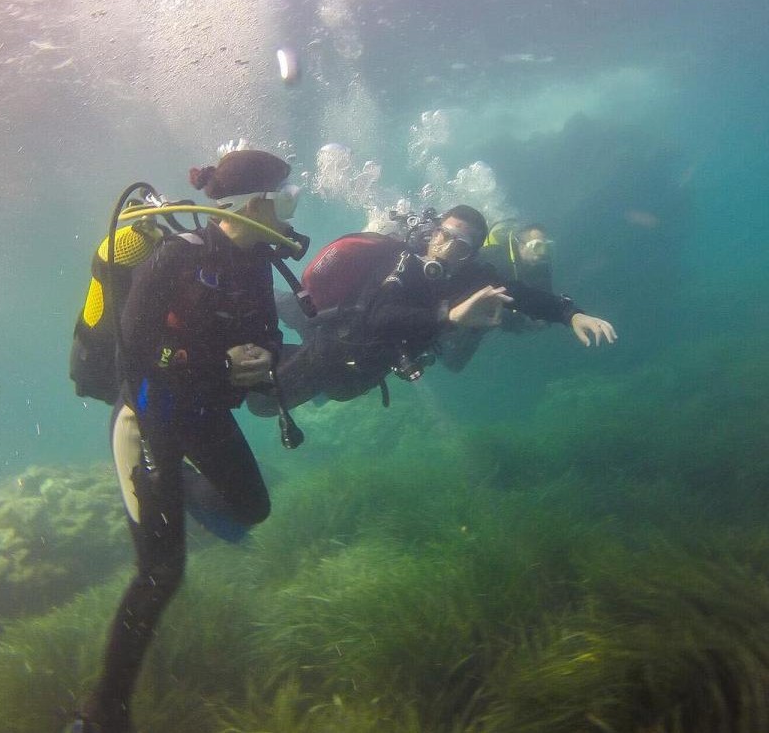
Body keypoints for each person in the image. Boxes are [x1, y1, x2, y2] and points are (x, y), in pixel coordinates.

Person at [69, 150, 298, 733]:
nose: (289, 210)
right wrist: (219, 364)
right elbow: (137, 354)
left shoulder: (258, 260)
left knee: (253, 507)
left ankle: (180, 494)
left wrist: (264, 356)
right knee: (162, 573)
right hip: (148, 418)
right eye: (283, 199)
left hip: (202, 413)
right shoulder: (176, 257)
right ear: (252, 206)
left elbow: (269, 331)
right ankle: (102, 715)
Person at [249, 205, 615, 415]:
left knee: (295, 395)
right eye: (443, 235)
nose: (445, 248)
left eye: (461, 245)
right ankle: (253, 285)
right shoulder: (402, 259)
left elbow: (519, 294)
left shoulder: (472, 277)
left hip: (361, 367)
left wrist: (570, 313)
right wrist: (448, 315)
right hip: (328, 329)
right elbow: (378, 318)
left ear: (471, 254)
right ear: (433, 231)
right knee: (262, 402)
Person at [436, 218, 556, 371]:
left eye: (546, 247)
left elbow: (546, 299)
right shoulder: (493, 256)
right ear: (521, 245)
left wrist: (544, 319)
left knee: (455, 364)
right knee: (451, 356)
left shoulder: (541, 267)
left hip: (492, 318)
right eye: (537, 247)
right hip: (467, 310)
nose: (542, 254)